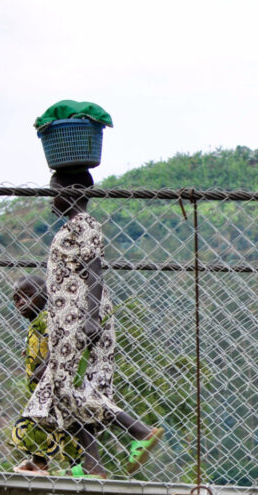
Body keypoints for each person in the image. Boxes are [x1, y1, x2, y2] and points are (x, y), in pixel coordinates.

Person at [21, 169, 162, 478]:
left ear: (70, 192)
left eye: (54, 191)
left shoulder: (85, 224)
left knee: (61, 387)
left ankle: (138, 431)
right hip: (69, 319)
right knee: (77, 388)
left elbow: (95, 271)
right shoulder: (71, 227)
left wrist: (90, 317)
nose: (50, 199)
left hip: (80, 316)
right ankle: (92, 465)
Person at [9, 274, 82, 475]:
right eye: (16, 299)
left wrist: (44, 366)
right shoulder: (36, 323)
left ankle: (44, 465)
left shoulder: (47, 318)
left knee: (31, 426)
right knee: (57, 429)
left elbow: (59, 342)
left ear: (47, 294)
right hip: (42, 391)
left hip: (51, 386)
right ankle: (50, 466)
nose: (21, 302)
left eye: (28, 295)